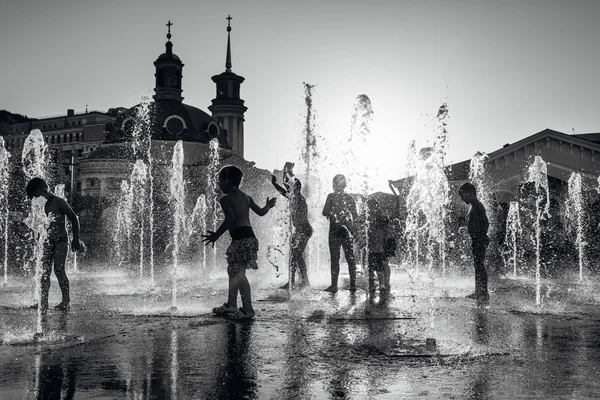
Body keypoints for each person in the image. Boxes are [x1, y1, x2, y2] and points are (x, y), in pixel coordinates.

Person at [203, 165, 276, 320]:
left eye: (220, 181)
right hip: (248, 238)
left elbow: (230, 219)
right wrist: (268, 206)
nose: (219, 184)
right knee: (234, 272)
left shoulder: (226, 199)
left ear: (228, 180)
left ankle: (247, 309)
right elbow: (261, 212)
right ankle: (231, 305)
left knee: (239, 275)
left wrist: (216, 234)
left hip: (241, 239)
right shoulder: (246, 197)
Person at [26, 177, 81, 313]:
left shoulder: (58, 201)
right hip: (47, 241)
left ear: (43, 189)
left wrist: (76, 239)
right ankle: (43, 302)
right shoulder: (39, 205)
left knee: (59, 270)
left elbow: (74, 218)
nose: (34, 198)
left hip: (61, 241)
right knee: (44, 272)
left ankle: (66, 301)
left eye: (36, 194)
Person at [271, 164, 313, 289]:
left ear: (296, 188)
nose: (290, 188)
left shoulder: (298, 198)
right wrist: (285, 173)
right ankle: (298, 281)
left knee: (296, 254)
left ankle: (297, 281)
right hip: (302, 230)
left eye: (292, 186)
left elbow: (285, 190)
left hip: (304, 230)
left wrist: (281, 179)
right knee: (295, 255)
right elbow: (285, 188)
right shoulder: (295, 197)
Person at [322, 174, 358, 293]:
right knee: (350, 258)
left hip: (335, 231)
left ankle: (334, 286)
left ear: (333, 185)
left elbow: (325, 212)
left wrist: (332, 211)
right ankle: (352, 285)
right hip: (346, 232)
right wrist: (354, 231)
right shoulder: (349, 198)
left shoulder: (331, 197)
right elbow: (356, 217)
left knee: (335, 259)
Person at [459, 182, 490, 303]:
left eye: (463, 196)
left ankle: (483, 292)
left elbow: (485, 223)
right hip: (478, 239)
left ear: (471, 193)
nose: (462, 199)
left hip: (479, 240)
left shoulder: (477, 205)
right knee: (478, 266)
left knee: (480, 266)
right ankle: (479, 291)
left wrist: (481, 236)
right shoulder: (474, 205)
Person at [365, 198, 392, 304]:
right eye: (369, 207)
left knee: (382, 266)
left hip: (381, 247)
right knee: (371, 269)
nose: (371, 209)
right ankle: (373, 285)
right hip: (373, 248)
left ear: (377, 206)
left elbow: (386, 231)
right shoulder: (369, 218)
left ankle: (383, 284)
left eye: (373, 206)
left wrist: (386, 245)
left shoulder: (381, 217)